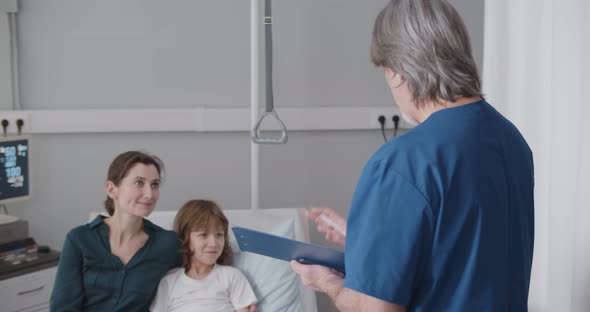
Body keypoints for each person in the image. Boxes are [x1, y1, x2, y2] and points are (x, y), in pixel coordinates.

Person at [290, 1, 535, 311]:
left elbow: (375, 308)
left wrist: (326, 281)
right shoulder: (510, 139)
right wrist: (363, 243)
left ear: (397, 73)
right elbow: (464, 250)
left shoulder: (402, 162)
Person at [50, 151, 181, 311]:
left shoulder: (168, 244)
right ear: (112, 189)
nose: (149, 194)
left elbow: (197, 285)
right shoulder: (79, 239)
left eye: (154, 185)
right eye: (139, 183)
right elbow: (63, 307)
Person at [150, 199, 257, 312]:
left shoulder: (232, 277)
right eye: (203, 235)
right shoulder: (169, 281)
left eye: (219, 235)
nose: (213, 243)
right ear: (185, 238)